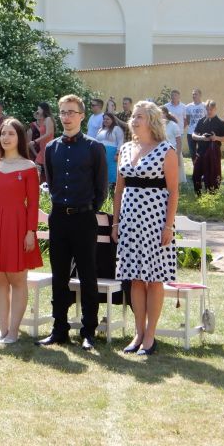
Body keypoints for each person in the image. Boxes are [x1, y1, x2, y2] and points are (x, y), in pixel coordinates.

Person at [38, 94, 107, 351]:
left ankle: (89, 331)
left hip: (84, 217)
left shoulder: (94, 148)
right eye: (63, 112)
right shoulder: (51, 148)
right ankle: (59, 329)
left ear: (81, 116)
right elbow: (52, 181)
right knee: (59, 275)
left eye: (71, 112)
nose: (66, 117)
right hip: (58, 217)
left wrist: (87, 210)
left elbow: (101, 188)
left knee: (88, 275)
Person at [113, 101, 179, 356]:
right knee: (135, 279)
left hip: (155, 222)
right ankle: (138, 333)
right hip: (130, 222)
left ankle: (150, 336)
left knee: (154, 279)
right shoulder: (125, 148)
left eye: (139, 116)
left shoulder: (166, 150)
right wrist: (116, 222)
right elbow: (119, 190)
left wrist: (168, 226)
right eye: (133, 116)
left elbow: (173, 192)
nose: (134, 120)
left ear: (151, 120)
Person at [0, 118, 42, 344]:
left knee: (18, 278)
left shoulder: (29, 167)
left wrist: (31, 231)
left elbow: (33, 203)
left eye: (11, 133)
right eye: (3, 133)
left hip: (18, 225)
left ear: (19, 137)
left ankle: (13, 332)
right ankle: (2, 330)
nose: (6, 137)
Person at [191, 100, 224, 195]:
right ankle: (198, 194)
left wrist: (216, 138)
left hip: (214, 153)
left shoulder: (221, 123)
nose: (209, 111)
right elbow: (193, 135)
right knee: (196, 174)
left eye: (211, 109)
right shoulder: (201, 121)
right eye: (207, 109)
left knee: (213, 175)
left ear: (215, 109)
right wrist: (202, 138)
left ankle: (212, 195)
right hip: (201, 151)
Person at [95, 112, 125, 187]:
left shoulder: (116, 129)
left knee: (111, 168)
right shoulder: (101, 129)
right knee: (101, 168)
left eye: (107, 119)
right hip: (100, 152)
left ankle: (111, 185)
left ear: (112, 120)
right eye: (104, 119)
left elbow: (120, 141)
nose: (105, 120)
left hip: (112, 153)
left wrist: (117, 154)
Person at [28, 102, 55, 183]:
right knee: (36, 168)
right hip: (42, 149)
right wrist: (37, 116)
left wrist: (35, 141)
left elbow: (49, 133)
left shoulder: (48, 119)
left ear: (43, 109)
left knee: (47, 171)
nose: (37, 110)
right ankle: (37, 185)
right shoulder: (43, 120)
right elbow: (39, 125)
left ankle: (49, 186)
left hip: (48, 148)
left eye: (39, 109)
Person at [161, 106, 186, 186]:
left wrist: (177, 155)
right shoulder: (157, 126)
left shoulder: (173, 125)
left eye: (160, 113)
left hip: (173, 152)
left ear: (165, 113)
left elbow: (179, 142)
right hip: (161, 153)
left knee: (173, 177)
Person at [185, 88, 206, 162]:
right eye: (193, 94)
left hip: (202, 132)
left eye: (195, 94)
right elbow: (188, 120)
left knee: (202, 151)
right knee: (192, 152)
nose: (194, 96)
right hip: (191, 132)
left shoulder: (205, 105)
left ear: (200, 95)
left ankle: (202, 167)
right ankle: (195, 167)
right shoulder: (188, 106)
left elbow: (207, 118)